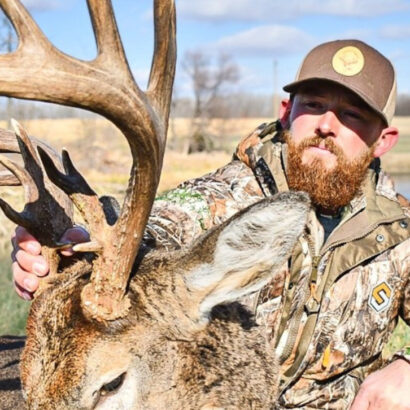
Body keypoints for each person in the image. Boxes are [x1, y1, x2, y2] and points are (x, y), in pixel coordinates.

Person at [10, 39, 410, 409]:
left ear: (384, 139)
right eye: (313, 105)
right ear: (286, 113)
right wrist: (85, 251)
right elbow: (160, 226)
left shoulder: (402, 232)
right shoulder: (224, 195)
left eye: (352, 115)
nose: (327, 125)